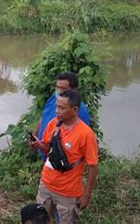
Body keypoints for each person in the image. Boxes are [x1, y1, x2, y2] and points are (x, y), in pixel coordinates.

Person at [30, 90, 98, 223]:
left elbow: (93, 166)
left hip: (68, 193)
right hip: (46, 184)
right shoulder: (53, 124)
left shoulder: (85, 134)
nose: (57, 111)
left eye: (61, 108)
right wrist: (37, 144)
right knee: (41, 219)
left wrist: (87, 195)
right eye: (56, 107)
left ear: (74, 110)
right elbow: (47, 149)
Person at [32, 72, 90, 160]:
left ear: (74, 90)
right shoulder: (52, 99)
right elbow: (43, 117)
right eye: (57, 87)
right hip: (44, 150)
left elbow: (82, 138)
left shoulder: (79, 110)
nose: (58, 91)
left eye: (63, 88)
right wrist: (34, 136)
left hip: (61, 158)